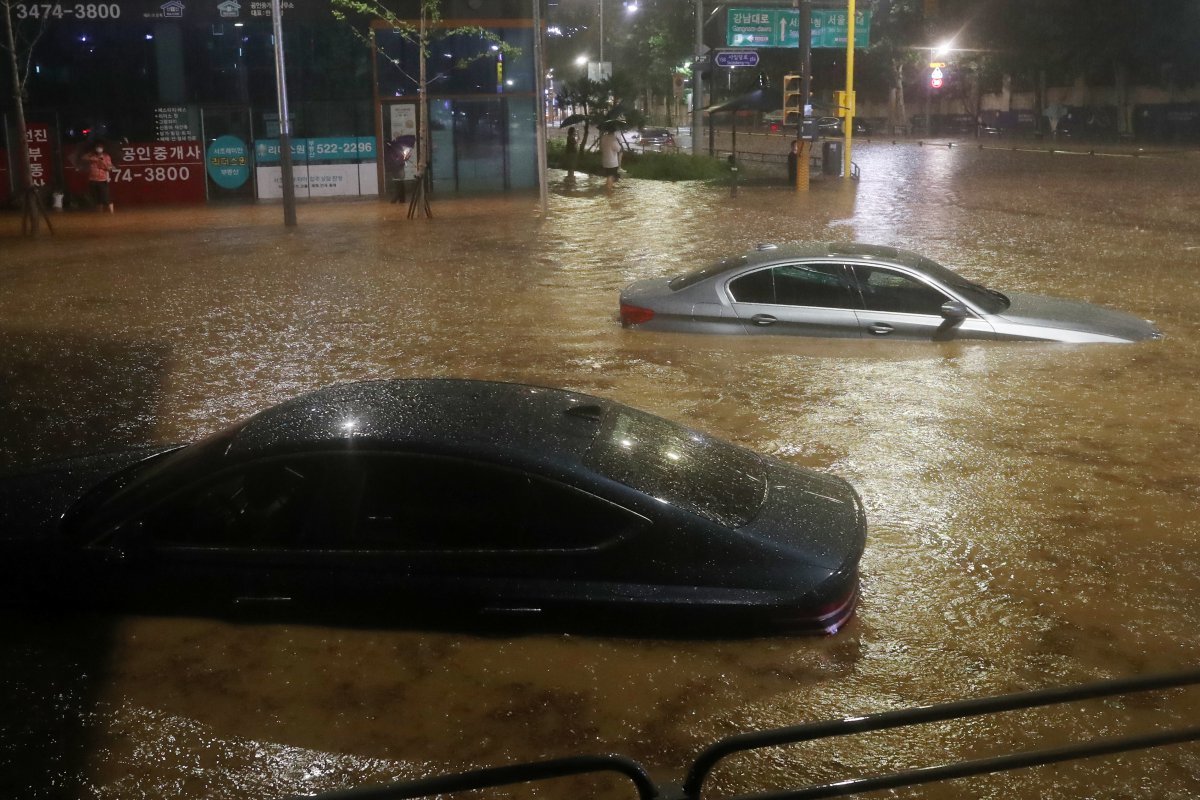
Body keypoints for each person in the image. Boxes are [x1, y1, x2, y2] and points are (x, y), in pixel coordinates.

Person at [83, 143, 115, 212]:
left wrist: (102, 161)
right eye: (97, 147)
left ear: (103, 149)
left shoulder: (106, 156)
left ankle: (112, 213)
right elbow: (84, 157)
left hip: (102, 180)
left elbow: (109, 168)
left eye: (100, 147)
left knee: (106, 197)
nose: (98, 149)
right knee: (97, 198)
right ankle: (99, 214)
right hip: (92, 179)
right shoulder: (92, 156)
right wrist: (92, 155)